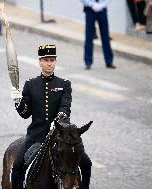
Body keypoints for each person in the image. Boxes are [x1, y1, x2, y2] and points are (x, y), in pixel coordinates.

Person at [10, 45, 92, 189]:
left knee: (86, 164)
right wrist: (18, 102)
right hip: (36, 137)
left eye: (52, 60)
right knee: (17, 167)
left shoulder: (64, 84)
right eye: (46, 60)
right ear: (40, 62)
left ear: (56, 62)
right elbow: (25, 114)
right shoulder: (30, 84)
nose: (49, 63)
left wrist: (58, 121)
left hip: (61, 136)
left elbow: (65, 107)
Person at [81, 0, 115, 70]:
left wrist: (102, 5)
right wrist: (92, 5)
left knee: (105, 36)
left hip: (102, 9)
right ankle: (88, 62)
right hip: (90, 9)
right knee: (89, 37)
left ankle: (109, 61)